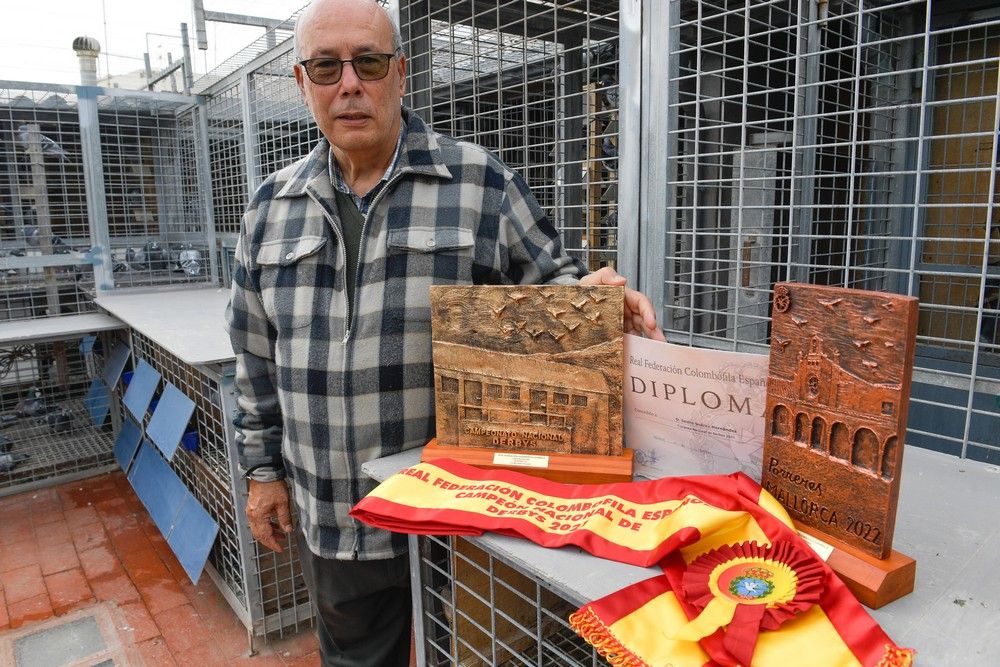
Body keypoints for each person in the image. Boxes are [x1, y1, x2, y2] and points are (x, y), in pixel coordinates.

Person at [225, 0, 665, 664]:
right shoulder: (270, 208)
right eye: (325, 67)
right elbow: (254, 356)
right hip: (333, 509)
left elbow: (551, 283)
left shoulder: (477, 182)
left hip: (457, 514)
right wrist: (262, 472)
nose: (349, 84)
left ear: (401, 72)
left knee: (473, 653)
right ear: (301, 81)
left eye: (368, 62)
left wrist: (591, 299)